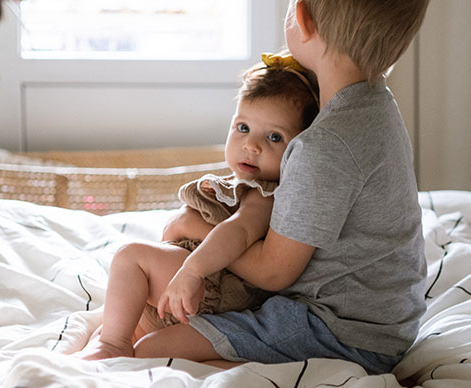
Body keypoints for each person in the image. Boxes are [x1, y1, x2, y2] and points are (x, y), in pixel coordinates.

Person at [134, 0, 437, 375]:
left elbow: (276, 271)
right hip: (386, 319)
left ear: (302, 18)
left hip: (338, 328)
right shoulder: (375, 103)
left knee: (148, 351)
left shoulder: (326, 147)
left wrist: (199, 230)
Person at [80, 51, 319, 360]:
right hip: (202, 276)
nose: (251, 145)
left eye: (274, 136)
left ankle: (111, 345)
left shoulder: (265, 194)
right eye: (243, 128)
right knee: (131, 312)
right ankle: (114, 339)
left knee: (131, 258)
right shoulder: (243, 185)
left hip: (213, 282)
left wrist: (192, 270)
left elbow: (240, 231)